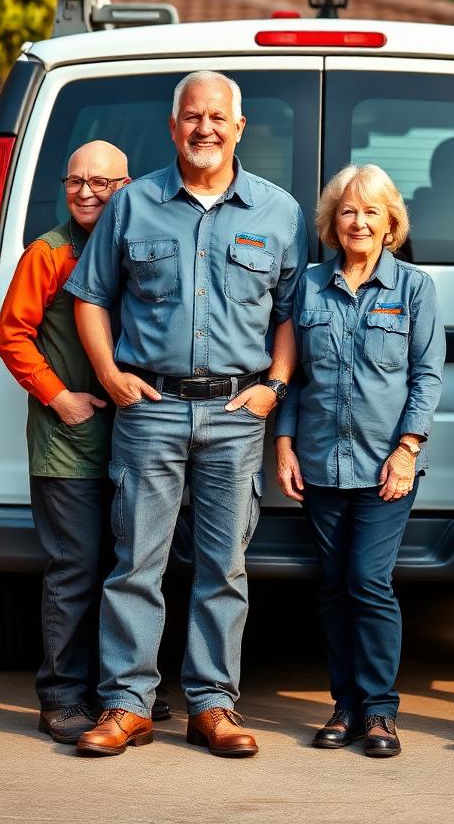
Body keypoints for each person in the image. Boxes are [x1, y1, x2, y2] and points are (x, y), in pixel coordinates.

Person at [63, 71, 308, 758]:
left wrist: (276, 386)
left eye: (216, 118)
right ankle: (126, 705)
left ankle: (212, 706)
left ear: (239, 128)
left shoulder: (278, 212)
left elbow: (291, 313)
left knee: (222, 567)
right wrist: (110, 374)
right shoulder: (133, 204)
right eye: (191, 117)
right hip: (150, 409)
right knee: (135, 562)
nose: (204, 129)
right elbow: (91, 295)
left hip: (237, 411)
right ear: (174, 128)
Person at [0, 139, 169, 743]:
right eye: (75, 181)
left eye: (103, 182)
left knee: (132, 567)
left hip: (141, 436)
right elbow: (12, 335)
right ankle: (62, 697)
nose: (87, 192)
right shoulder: (48, 252)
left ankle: (120, 693)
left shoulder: (141, 245)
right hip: (68, 443)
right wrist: (59, 397)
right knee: (75, 569)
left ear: (128, 186)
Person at [274, 165, 445, 758]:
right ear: (331, 222)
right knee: (334, 586)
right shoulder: (310, 287)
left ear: (390, 221)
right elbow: (293, 378)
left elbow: (426, 375)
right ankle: (343, 705)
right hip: (321, 462)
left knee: (368, 582)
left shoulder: (414, 288)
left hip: (385, 466)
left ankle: (378, 711)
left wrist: (408, 448)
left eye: (372, 211)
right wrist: (285, 443)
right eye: (348, 211)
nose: (359, 221)